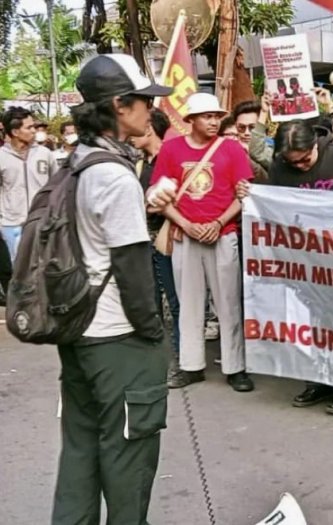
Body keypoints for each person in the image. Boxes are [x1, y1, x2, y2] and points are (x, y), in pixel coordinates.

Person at [54, 52, 171, 525]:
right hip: (117, 337)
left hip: (77, 329)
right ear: (120, 106)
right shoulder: (115, 174)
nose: (151, 110)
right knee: (128, 456)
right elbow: (133, 269)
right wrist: (156, 334)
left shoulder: (76, 162)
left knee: (80, 450)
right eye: (144, 101)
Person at [236, 119, 333, 413]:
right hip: (302, 260)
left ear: (315, 147)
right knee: (310, 322)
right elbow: (272, 202)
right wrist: (251, 193)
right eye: (295, 163)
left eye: (306, 160)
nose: (302, 167)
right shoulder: (281, 166)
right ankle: (316, 380)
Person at [148, 92, 255, 393]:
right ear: (191, 119)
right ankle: (190, 365)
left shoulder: (231, 149)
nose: (213, 121)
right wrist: (186, 225)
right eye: (207, 116)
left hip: (223, 234)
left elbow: (242, 193)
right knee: (189, 303)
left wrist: (219, 222)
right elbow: (160, 196)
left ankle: (236, 367)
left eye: (216, 116)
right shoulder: (171, 150)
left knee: (229, 303)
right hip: (185, 235)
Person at [131, 107, 183, 387]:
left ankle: (181, 360)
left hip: (167, 237)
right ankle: (154, 360)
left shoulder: (171, 158)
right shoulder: (139, 164)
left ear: (149, 127)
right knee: (150, 302)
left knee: (175, 303)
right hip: (144, 240)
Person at [0, 106, 59, 260]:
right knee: (19, 270)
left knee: (46, 268)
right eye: (29, 127)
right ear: (15, 132)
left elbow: (57, 185)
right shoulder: (1, 157)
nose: (34, 131)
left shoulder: (45, 154)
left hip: (44, 222)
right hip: (12, 224)